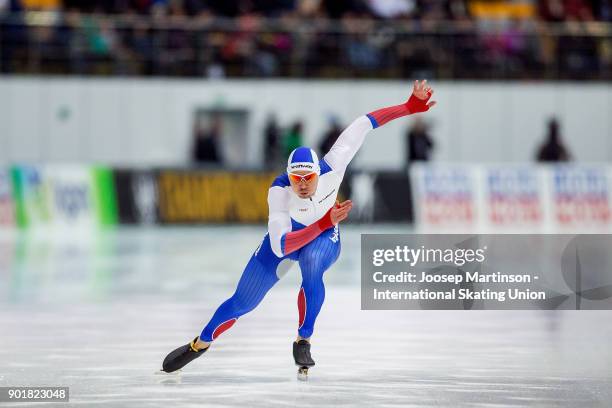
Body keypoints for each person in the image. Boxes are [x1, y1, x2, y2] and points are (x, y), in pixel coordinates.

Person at [162, 80, 437, 374]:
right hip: (295, 236)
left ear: (319, 172)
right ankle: (200, 344)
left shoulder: (335, 166)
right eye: (297, 179)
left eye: (308, 178)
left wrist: (409, 107)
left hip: (321, 237)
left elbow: (366, 122)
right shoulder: (279, 192)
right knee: (243, 303)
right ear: (288, 176)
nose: (303, 185)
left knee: (312, 262)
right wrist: (324, 221)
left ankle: (303, 339)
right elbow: (282, 245)